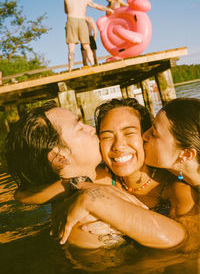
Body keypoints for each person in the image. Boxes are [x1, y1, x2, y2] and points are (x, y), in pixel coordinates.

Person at [7, 99, 188, 250]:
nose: (91, 130)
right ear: (59, 158)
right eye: (106, 135)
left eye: (129, 133)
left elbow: (23, 194)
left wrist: (86, 191)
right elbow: (23, 194)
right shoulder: (81, 219)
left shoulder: (174, 180)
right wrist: (93, 197)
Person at [52, 98, 199, 252]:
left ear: (186, 154)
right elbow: (33, 196)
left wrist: (102, 205)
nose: (118, 146)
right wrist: (82, 185)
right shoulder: (102, 176)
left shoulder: (178, 186)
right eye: (107, 137)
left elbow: (189, 242)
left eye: (153, 133)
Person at [64, 0, 113, 71]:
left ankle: (70, 68)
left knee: (71, 47)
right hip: (82, 21)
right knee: (87, 46)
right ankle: (93, 65)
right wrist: (108, 9)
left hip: (71, 19)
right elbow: (96, 6)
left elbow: (66, 11)